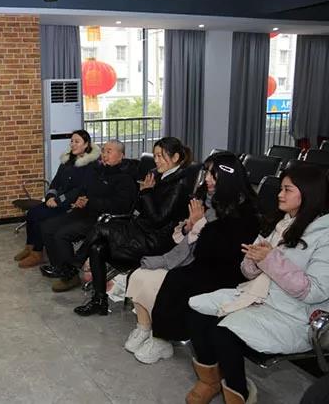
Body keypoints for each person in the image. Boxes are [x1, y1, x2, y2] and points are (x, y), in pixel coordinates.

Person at [186, 164, 329, 404]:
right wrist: (254, 262)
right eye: (281, 188)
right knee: (196, 310)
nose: (279, 195)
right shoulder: (281, 223)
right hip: (259, 295)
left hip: (296, 315)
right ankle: (210, 380)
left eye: (287, 189)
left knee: (223, 334)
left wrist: (270, 260)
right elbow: (247, 271)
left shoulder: (324, 235)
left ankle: (239, 394)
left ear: (308, 194)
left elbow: (315, 291)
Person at [128, 152, 260, 364]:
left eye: (213, 175)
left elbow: (214, 252)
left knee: (176, 280)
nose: (207, 179)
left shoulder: (244, 211)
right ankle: (144, 327)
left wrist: (199, 225)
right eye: (206, 173)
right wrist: (189, 227)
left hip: (224, 272)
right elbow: (188, 236)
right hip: (198, 260)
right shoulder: (206, 199)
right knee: (141, 274)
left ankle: (163, 338)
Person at [73, 137, 193, 317]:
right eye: (155, 156)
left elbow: (158, 219)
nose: (156, 160)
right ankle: (99, 301)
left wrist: (147, 192)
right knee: (97, 247)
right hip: (141, 231)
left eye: (160, 156)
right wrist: (144, 193)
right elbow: (138, 208)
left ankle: (74, 263)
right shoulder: (158, 175)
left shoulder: (180, 184)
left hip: (156, 241)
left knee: (99, 228)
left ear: (175, 157)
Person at [39, 140, 137, 292]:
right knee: (47, 227)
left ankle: (70, 276)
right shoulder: (99, 171)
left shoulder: (125, 178)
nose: (104, 155)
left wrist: (90, 202)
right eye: (103, 151)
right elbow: (85, 189)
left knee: (61, 234)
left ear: (121, 156)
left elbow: (119, 206)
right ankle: (60, 266)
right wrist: (81, 199)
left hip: (103, 219)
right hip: (85, 211)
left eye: (109, 151)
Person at [15, 129, 100, 268]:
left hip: (70, 204)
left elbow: (79, 190)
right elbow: (55, 182)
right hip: (56, 200)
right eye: (71, 141)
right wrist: (50, 196)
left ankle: (38, 254)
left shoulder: (91, 165)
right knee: (32, 214)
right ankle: (30, 247)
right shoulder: (67, 160)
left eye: (77, 141)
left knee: (40, 218)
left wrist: (58, 200)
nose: (73, 144)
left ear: (86, 144)